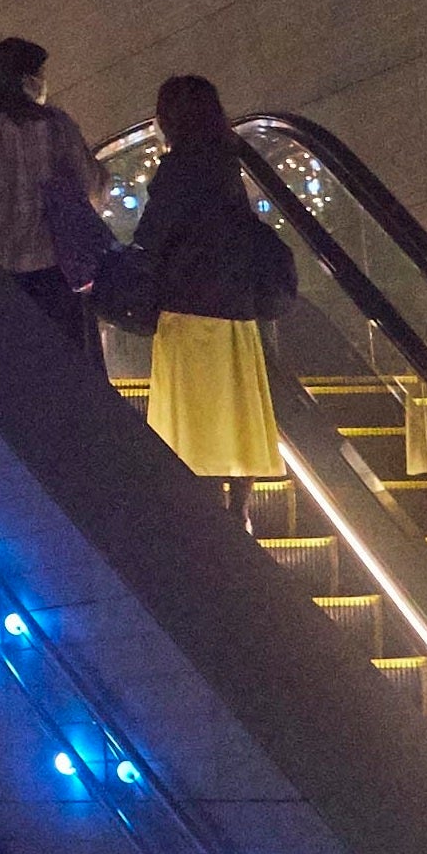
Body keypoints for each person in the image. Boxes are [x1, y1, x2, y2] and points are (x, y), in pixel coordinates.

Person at [132, 73, 285, 523]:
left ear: (168, 120)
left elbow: (154, 237)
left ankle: (206, 516)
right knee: (237, 413)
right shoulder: (229, 163)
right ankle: (239, 509)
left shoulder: (177, 169)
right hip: (236, 310)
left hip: (187, 310)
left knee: (193, 423)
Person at [0, 36, 106, 358]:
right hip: (57, 268)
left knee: (18, 360)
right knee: (69, 361)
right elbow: (90, 182)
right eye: (41, 73)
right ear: (28, 78)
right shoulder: (53, 125)